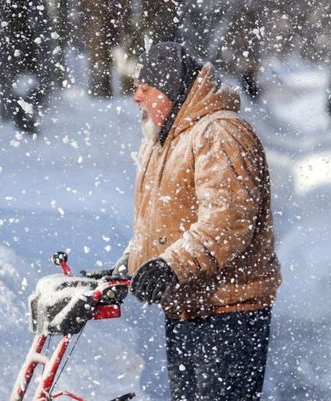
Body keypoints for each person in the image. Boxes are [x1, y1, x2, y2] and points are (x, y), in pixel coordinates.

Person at [112, 42, 282, 400]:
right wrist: (130, 264)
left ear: (173, 93)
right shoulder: (164, 142)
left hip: (228, 313)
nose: (136, 97)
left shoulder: (220, 133)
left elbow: (228, 221)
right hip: (188, 308)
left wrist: (169, 267)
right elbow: (162, 224)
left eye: (146, 88)